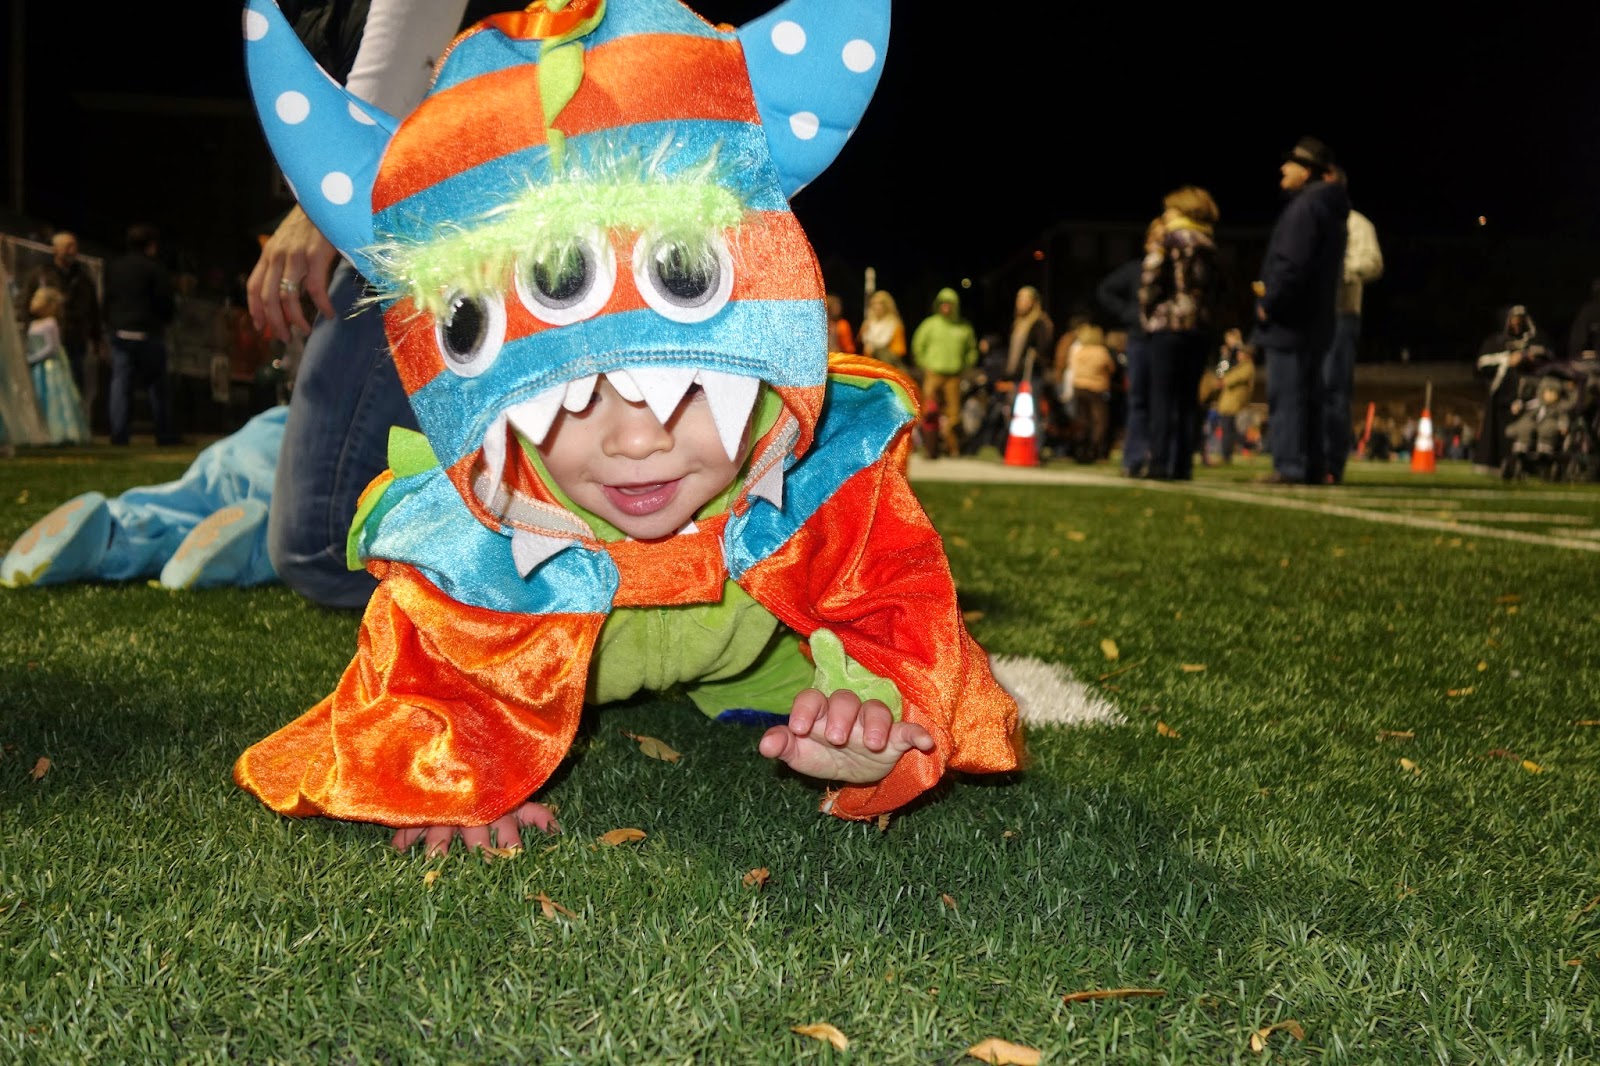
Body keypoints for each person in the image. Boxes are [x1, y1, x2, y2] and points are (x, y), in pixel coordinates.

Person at [230, 0, 1025, 858]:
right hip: (549, 635)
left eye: (688, 390)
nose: (637, 441)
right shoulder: (478, 538)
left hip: (755, 659)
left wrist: (873, 715)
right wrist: (449, 770)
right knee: (309, 543)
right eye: (573, 399)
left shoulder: (818, 483)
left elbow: (897, 609)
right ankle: (237, 480)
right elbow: (423, 663)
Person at [1251, 136, 1349, 485]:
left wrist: (1270, 302)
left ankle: (1290, 464)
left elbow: (1291, 264)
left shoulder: (1305, 207)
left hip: (1291, 320)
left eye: (1291, 163)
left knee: (1288, 395)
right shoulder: (1328, 207)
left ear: (1307, 171)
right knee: (1309, 396)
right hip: (1315, 318)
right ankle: (1310, 465)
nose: (1283, 168)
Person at [1139, 186, 1224, 481]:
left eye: (1170, 209)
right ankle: (1183, 464)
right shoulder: (1209, 243)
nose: (1165, 214)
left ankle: (1159, 463)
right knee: (1188, 398)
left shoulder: (1170, 239)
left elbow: (1151, 281)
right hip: (1199, 328)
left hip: (1169, 326)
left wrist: (1148, 314)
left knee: (1162, 396)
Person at [1321, 165, 1383, 484]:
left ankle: (1332, 462)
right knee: (1310, 387)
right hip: (1312, 315)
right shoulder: (1313, 219)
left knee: (1334, 387)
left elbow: (1373, 263)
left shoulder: (1357, 224)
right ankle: (1305, 457)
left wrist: (1342, 267)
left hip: (1342, 313)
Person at [103, 223, 178, 446]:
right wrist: (164, 320)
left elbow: (107, 299)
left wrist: (110, 324)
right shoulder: (155, 268)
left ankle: (119, 433)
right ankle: (164, 433)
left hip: (121, 330)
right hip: (148, 331)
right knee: (157, 385)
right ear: (151, 246)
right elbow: (164, 301)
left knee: (120, 383)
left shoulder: (115, 267)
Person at [21, 231, 103, 413]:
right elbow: (26, 305)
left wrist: (97, 339)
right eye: (68, 246)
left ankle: (74, 419)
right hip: (46, 338)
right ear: (56, 249)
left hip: (75, 338)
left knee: (75, 382)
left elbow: (93, 310)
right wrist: (31, 330)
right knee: (46, 386)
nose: (72, 250)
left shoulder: (83, 278)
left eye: (74, 246)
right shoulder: (40, 275)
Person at [1097, 228, 1155, 477]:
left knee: (1162, 401)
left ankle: (1160, 457)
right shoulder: (1136, 270)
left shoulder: (1174, 270)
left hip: (1166, 340)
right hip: (1141, 339)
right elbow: (1105, 290)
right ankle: (1134, 458)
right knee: (1139, 399)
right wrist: (1128, 313)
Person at [1475, 303, 1550, 475]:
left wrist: (1530, 359)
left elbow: (1547, 358)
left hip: (1529, 395)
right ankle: (1501, 463)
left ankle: (1528, 465)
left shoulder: (1534, 340)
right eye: (1513, 320)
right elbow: (1482, 364)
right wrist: (1508, 360)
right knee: (1501, 431)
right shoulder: (1496, 342)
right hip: (1503, 396)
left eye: (1520, 320)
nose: (1516, 324)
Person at [911, 287, 979, 458]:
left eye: (950, 304)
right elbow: (918, 345)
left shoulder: (963, 327)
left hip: (954, 376)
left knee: (953, 414)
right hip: (933, 374)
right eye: (943, 304)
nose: (946, 307)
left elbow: (972, 350)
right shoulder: (930, 325)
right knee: (929, 410)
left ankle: (952, 447)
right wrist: (924, 364)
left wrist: (965, 365)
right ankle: (929, 447)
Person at [23, 288, 91, 446]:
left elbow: (52, 347)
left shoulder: (50, 324)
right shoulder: (33, 324)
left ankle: (58, 432)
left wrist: (34, 358)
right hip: (36, 369)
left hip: (49, 368)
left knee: (53, 398)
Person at [1064, 323, 1116, 460]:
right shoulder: (1101, 351)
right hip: (1096, 388)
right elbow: (1111, 368)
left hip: (1079, 387)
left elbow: (1072, 367)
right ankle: (1096, 449)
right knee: (1099, 420)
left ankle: (1080, 448)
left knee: (1082, 419)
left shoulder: (1079, 351)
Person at [858, 289, 908, 372]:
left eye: (880, 303)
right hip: (869, 364)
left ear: (887, 305)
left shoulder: (894, 324)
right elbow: (861, 342)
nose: (877, 307)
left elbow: (899, 350)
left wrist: (878, 350)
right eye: (874, 303)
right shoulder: (868, 323)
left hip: (888, 366)